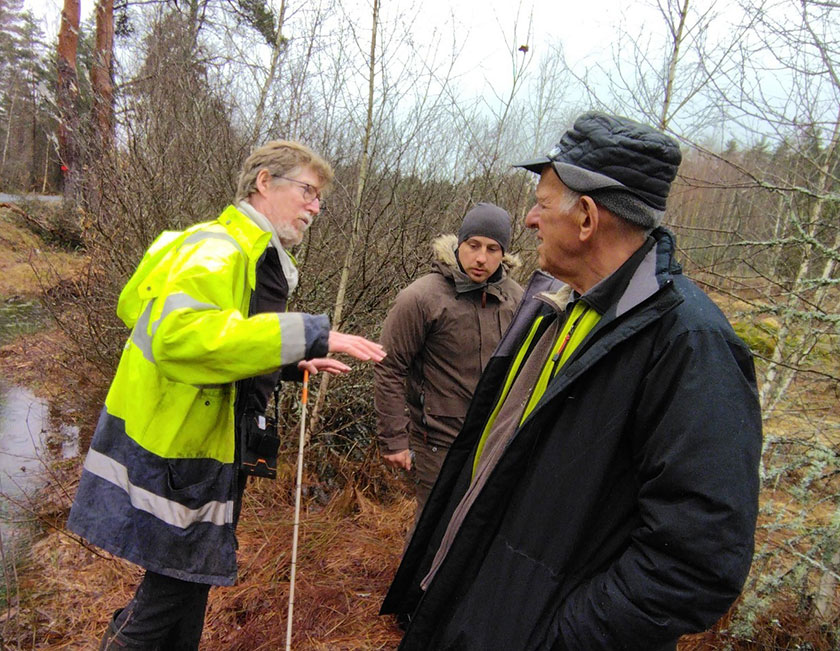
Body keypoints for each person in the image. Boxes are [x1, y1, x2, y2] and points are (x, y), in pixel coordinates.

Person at [380, 112, 762, 650]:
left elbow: (696, 563)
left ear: (585, 216)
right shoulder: (559, 306)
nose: (530, 219)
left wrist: (556, 639)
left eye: (541, 201)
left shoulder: (691, 345)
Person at [66, 140, 386, 650]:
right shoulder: (218, 249)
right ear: (264, 182)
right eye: (307, 190)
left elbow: (227, 340)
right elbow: (181, 336)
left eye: (319, 197)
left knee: (189, 586)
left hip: (200, 447)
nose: (315, 206)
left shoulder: (249, 254)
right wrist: (307, 333)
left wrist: (286, 362)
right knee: (166, 598)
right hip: (177, 452)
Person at [374, 203, 523, 523]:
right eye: (473, 245)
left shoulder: (517, 299)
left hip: (495, 440)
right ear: (459, 244)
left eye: (492, 248)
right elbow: (389, 366)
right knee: (434, 528)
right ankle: (417, 577)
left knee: (482, 527)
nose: (481, 257)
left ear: (503, 254)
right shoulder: (422, 297)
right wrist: (394, 439)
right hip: (437, 443)